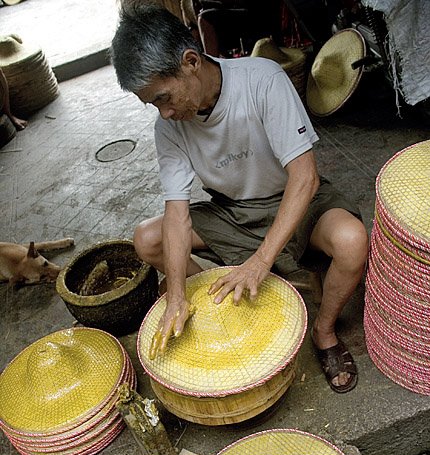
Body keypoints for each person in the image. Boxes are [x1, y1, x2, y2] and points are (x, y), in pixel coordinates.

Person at [110, 1, 369, 393]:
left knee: (352, 242)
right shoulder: (170, 129)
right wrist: (177, 295)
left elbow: (305, 178)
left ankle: (324, 331)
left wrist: (260, 262)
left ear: (191, 62)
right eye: (153, 104)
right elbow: (177, 215)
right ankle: (215, 302)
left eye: (164, 97)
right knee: (148, 239)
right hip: (234, 213)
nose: (163, 113)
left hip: (294, 201)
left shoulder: (261, 79)